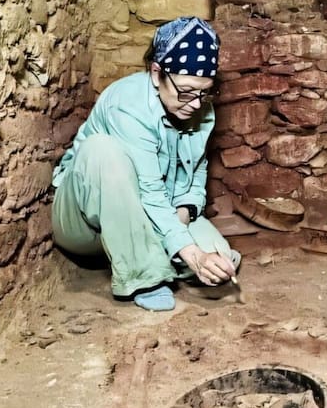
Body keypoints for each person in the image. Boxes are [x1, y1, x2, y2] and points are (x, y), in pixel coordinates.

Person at [50, 16, 238, 311]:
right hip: (86, 225)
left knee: (221, 258)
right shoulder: (128, 104)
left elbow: (197, 172)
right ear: (156, 73)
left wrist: (186, 212)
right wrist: (190, 252)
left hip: (150, 217)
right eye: (186, 91)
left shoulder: (201, 110)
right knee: (101, 149)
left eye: (205, 92)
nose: (196, 103)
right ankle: (145, 276)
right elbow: (150, 191)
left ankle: (143, 253)